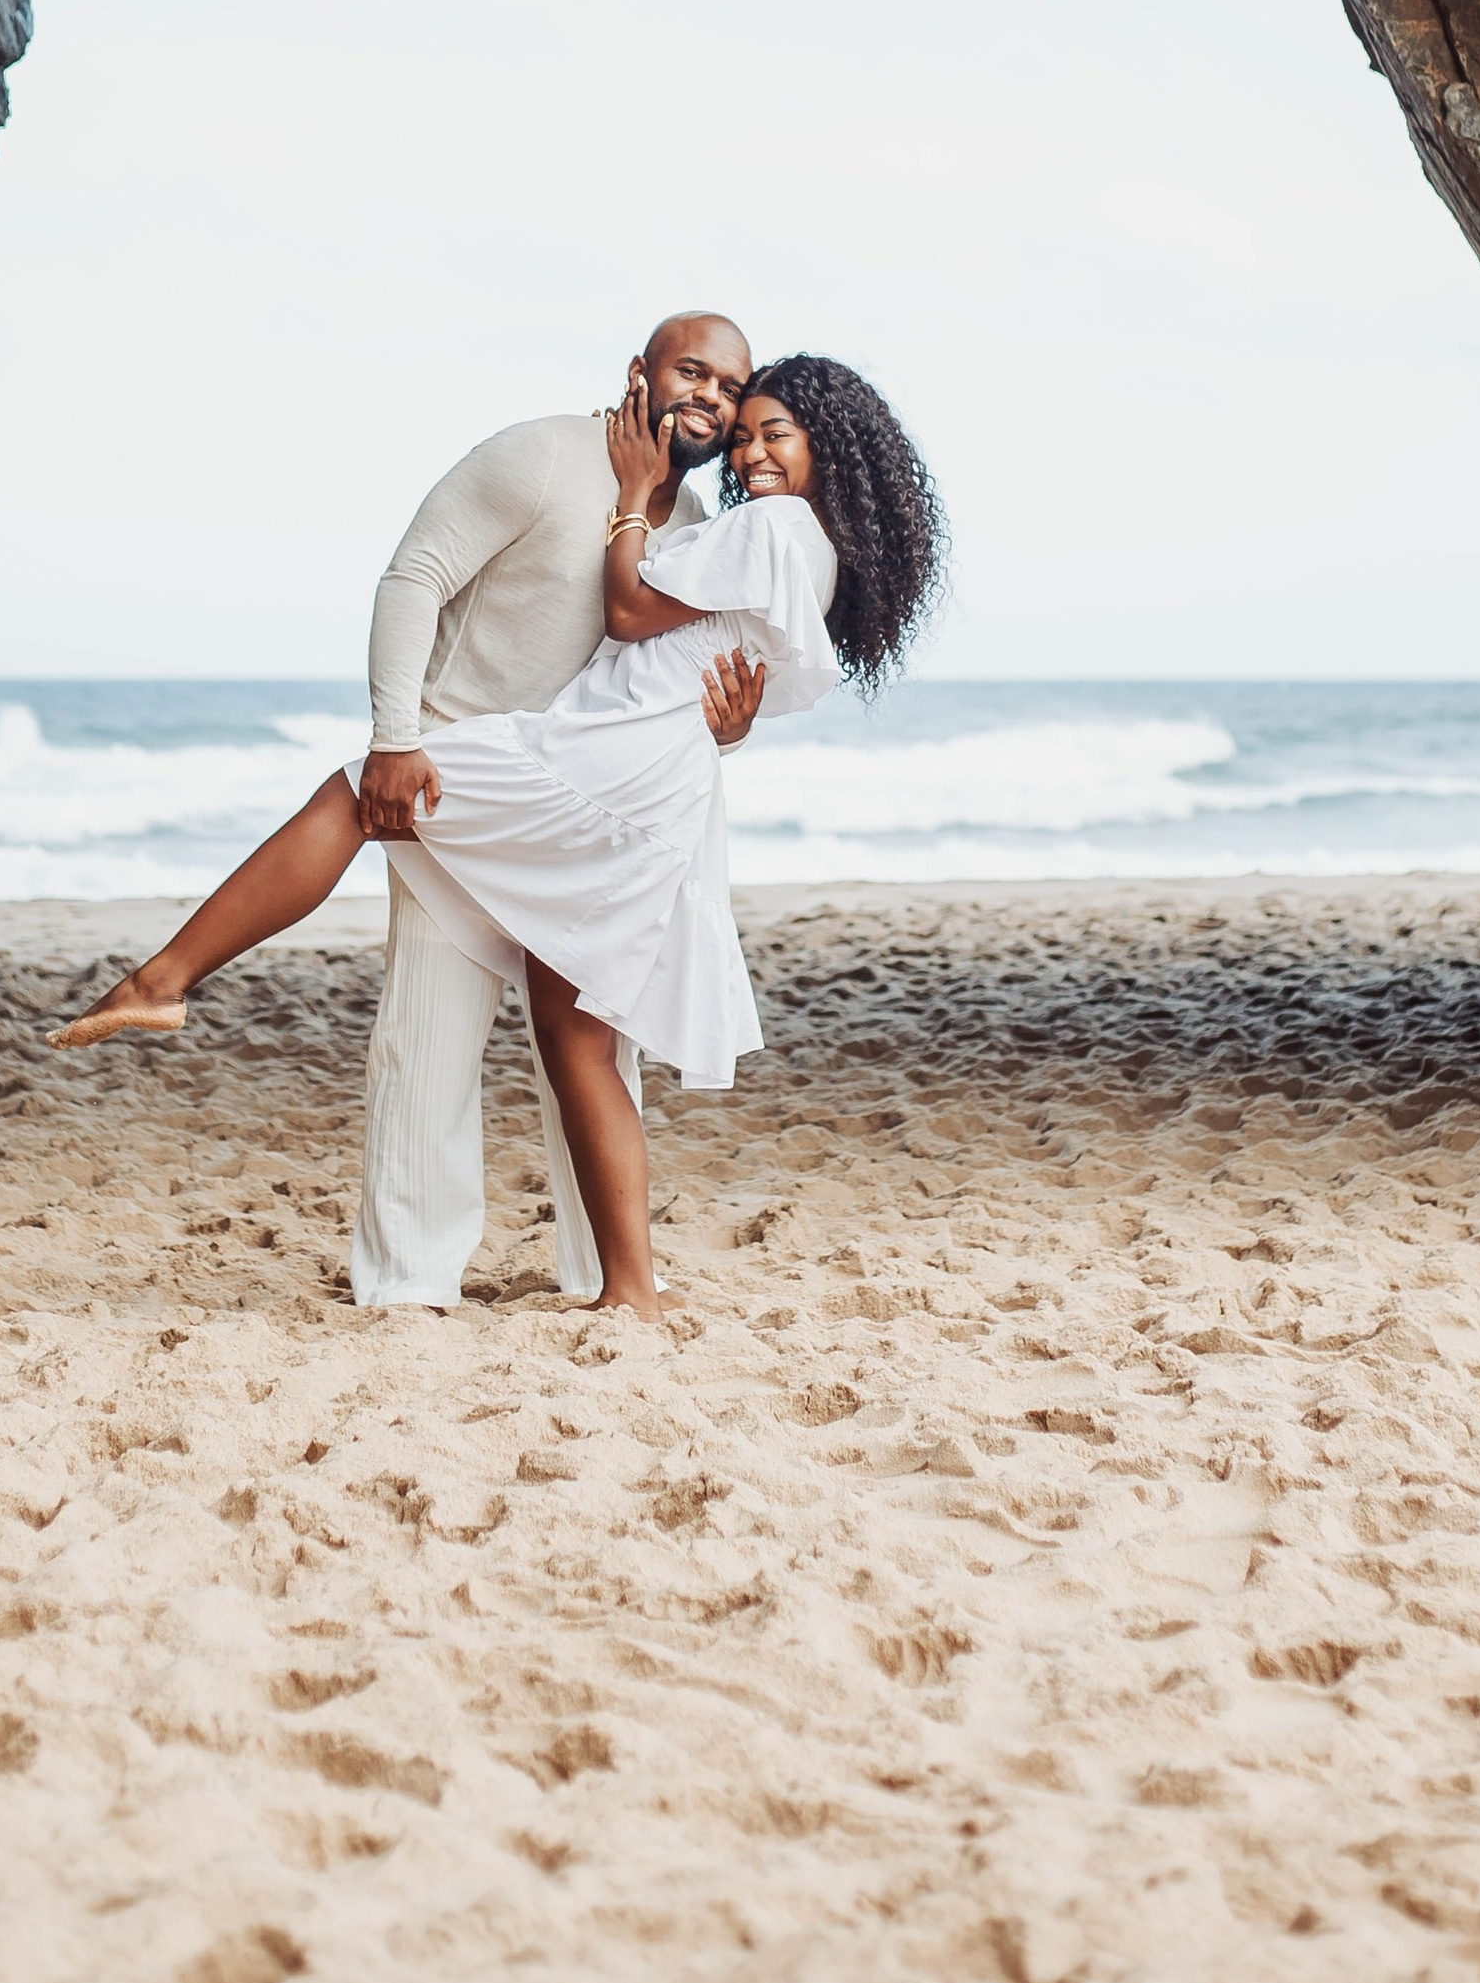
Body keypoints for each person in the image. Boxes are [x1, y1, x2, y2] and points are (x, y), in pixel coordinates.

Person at [48, 354, 948, 1321]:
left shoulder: (756, 523)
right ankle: (630, 1293)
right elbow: (746, 675)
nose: (749, 443)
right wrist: (719, 717)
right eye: (743, 430)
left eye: (771, 427)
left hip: (591, 771)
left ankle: (164, 980)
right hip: (653, 795)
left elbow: (631, 610)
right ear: (639, 374)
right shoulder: (778, 538)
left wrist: (636, 496)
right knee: (579, 1047)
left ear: (829, 448)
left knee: (358, 793)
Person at [342, 313, 766, 1308]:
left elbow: (671, 687)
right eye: (689, 371)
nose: (707, 395)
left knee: (588, 1053)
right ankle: (409, 1283)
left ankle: (596, 1277)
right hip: (461, 785)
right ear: (639, 376)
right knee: (430, 1032)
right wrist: (395, 739)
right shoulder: (537, 457)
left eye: (727, 385)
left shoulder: (700, 532)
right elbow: (414, 580)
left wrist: (729, 727)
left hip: (587, 812)